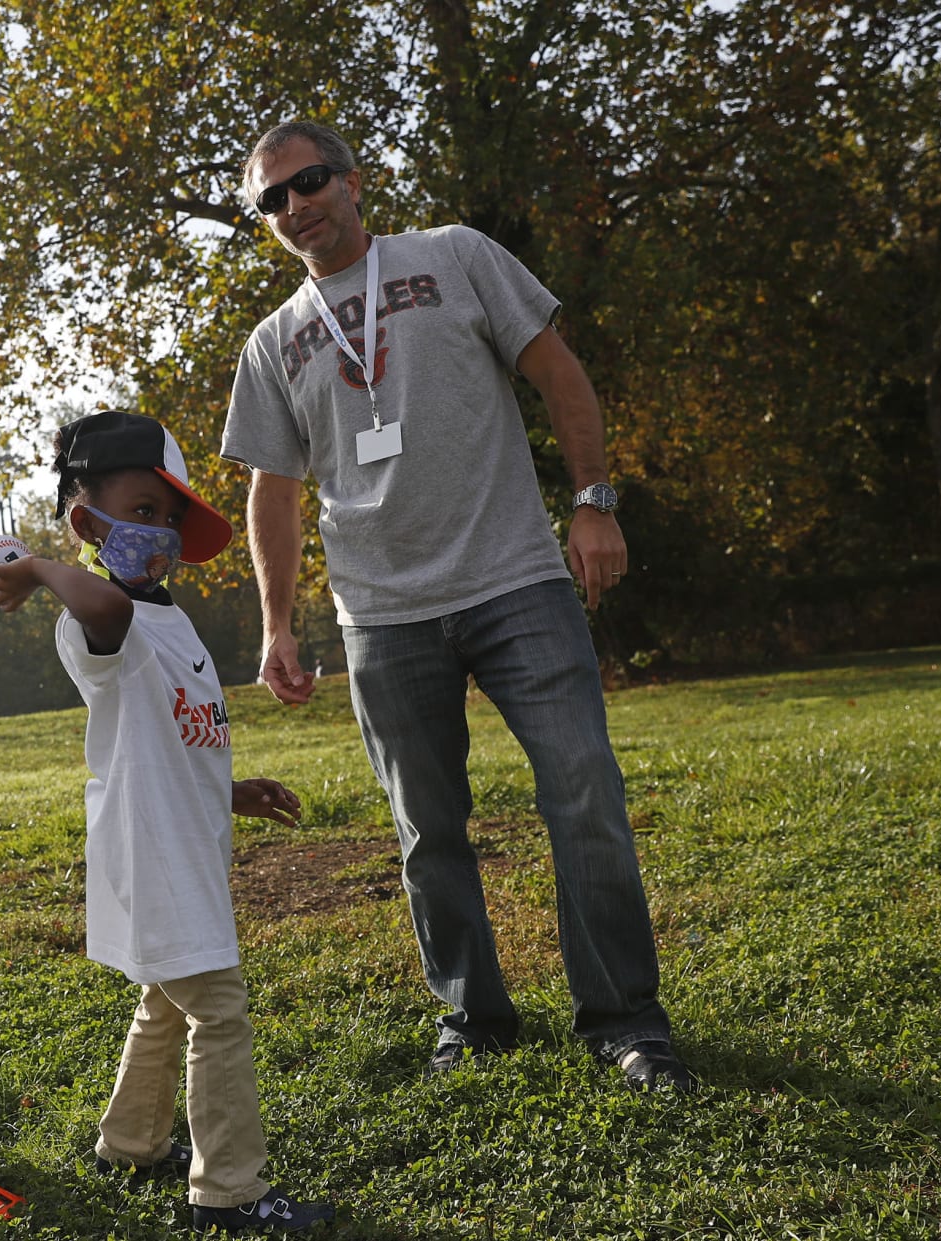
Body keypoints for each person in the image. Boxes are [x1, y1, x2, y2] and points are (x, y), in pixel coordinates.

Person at [220, 121, 693, 1091]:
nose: (295, 206)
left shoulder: (455, 255)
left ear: (353, 181)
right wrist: (276, 623)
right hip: (382, 616)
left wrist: (595, 502)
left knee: (585, 794)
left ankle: (624, 1018)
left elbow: (557, 370)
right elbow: (273, 488)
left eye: (307, 181)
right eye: (271, 199)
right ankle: (473, 1016)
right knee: (427, 831)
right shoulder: (273, 342)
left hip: (516, 579)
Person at [0, 410, 332, 1234]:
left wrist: (230, 787)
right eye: (141, 510)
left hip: (185, 839)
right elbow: (102, 604)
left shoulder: (172, 620)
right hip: (153, 848)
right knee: (219, 1005)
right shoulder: (93, 619)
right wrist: (36, 566)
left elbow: (173, 734)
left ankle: (130, 1140)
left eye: (171, 516)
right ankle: (230, 1194)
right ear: (85, 519)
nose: (162, 531)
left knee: (169, 997)